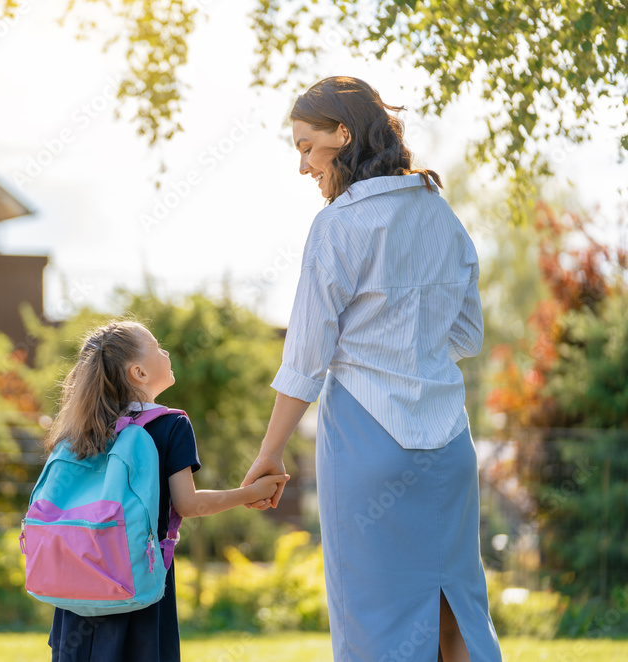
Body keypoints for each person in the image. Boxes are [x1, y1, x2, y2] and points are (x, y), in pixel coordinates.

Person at [241, 76, 504, 662]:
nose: (304, 166)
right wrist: (413, 345)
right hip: (449, 444)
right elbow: (467, 334)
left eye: (307, 147)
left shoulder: (337, 226)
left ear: (344, 134)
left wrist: (270, 453)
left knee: (374, 628)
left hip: (367, 444)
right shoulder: (440, 214)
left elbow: (305, 357)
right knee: (456, 616)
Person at [46, 320, 289, 662]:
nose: (167, 352)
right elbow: (188, 505)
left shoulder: (81, 429)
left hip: (77, 587)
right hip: (137, 585)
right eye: (158, 346)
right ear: (139, 373)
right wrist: (249, 493)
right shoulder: (171, 425)